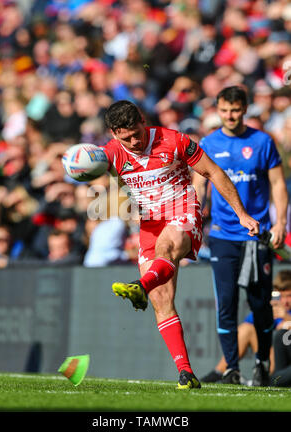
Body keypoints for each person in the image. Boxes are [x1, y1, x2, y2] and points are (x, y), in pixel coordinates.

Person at [102, 100, 259, 390]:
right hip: (149, 223)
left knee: (168, 248)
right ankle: (186, 373)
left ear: (143, 120)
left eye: (138, 132)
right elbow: (86, 170)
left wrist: (242, 214)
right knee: (162, 301)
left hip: (182, 210)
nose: (135, 141)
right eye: (127, 138)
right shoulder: (110, 153)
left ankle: (141, 285)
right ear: (114, 134)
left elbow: (213, 172)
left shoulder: (174, 140)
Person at [192, 86, 289, 386]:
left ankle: (261, 363)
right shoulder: (209, 143)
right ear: (217, 110)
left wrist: (280, 222)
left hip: (255, 235)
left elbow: (277, 184)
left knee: (259, 303)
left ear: (244, 109)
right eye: (224, 110)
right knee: (226, 302)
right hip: (222, 235)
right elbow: (199, 187)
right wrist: (195, 222)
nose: (229, 116)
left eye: (235, 110)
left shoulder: (262, 142)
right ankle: (231, 368)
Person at [201, 269, 291, 384]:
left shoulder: (285, 313)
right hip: (273, 359)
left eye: (289, 296)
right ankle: (219, 372)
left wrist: (287, 319)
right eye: (280, 296)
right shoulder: (274, 308)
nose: (285, 301)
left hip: (285, 361)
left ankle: (257, 380)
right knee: (246, 330)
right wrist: (265, 314)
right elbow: (248, 324)